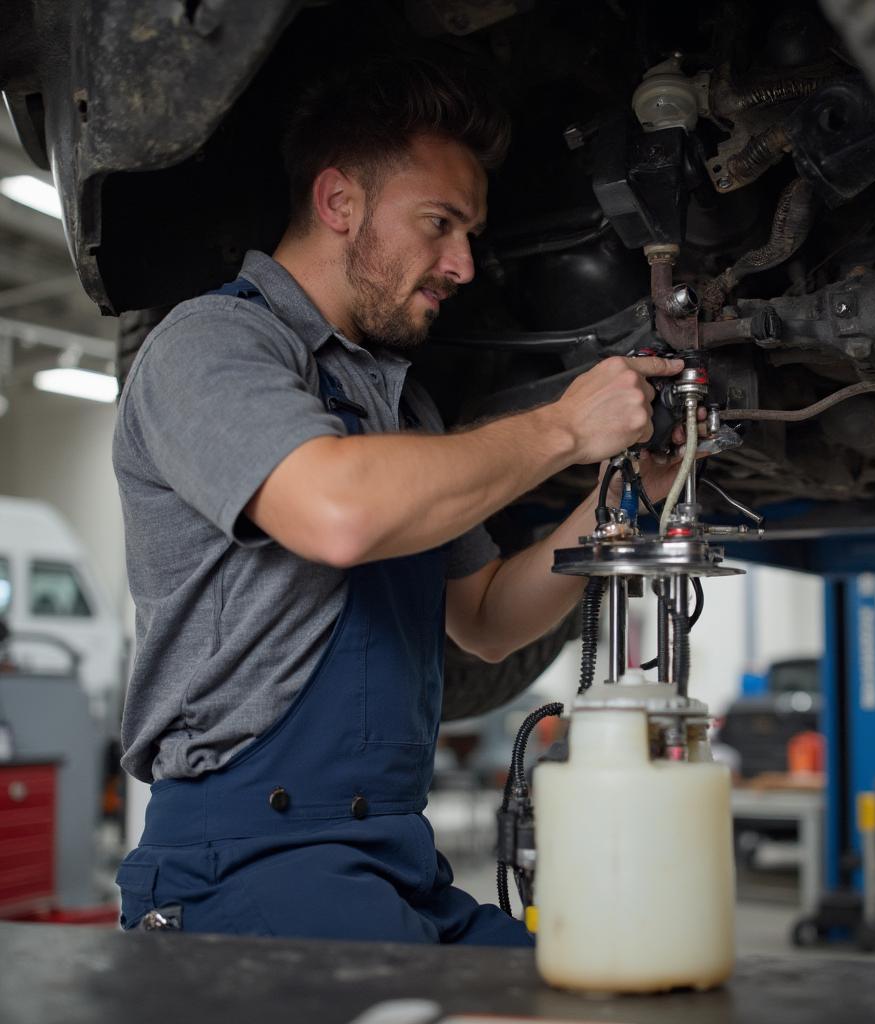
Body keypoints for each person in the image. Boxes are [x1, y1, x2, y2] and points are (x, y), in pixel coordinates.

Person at [113, 56, 687, 944]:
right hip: (242, 864)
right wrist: (564, 429)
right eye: (439, 223)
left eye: (471, 233)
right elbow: (337, 515)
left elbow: (489, 619)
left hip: (394, 859)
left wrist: (630, 496)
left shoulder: (402, 404)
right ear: (340, 202)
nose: (463, 264)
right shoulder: (210, 346)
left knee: (598, 982)